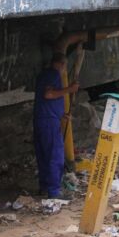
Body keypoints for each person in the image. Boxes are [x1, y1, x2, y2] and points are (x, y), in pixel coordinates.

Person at [33, 52, 79, 198]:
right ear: (62, 64)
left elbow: (45, 100)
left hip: (42, 119)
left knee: (44, 155)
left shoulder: (43, 75)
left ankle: (45, 186)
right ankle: (54, 191)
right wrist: (69, 90)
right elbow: (49, 94)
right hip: (49, 122)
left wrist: (61, 114)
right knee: (55, 156)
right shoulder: (53, 74)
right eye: (64, 66)